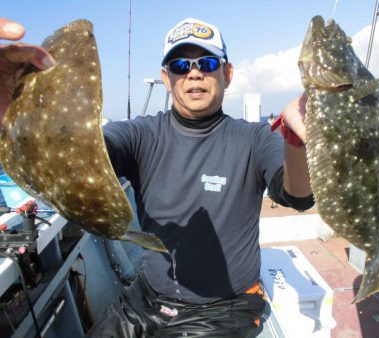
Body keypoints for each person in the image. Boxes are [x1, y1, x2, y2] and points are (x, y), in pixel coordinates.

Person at [0, 17, 314, 337]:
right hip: (145, 298)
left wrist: (295, 139)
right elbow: (84, 154)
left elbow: (298, 196)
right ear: (166, 77)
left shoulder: (255, 138)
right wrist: (23, 120)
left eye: (206, 62)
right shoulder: (141, 134)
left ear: (227, 73)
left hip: (224, 308)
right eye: (180, 64)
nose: (194, 72)